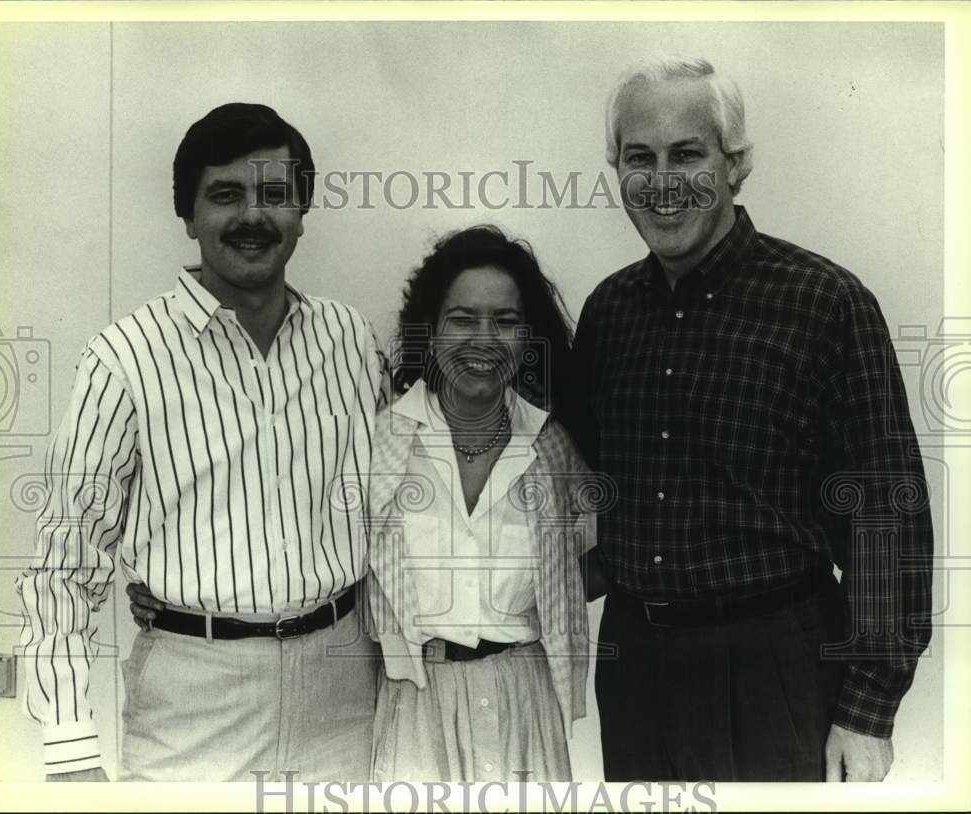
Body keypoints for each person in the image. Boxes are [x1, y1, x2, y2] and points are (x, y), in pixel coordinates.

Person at [562, 56, 934, 782]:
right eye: (640, 158)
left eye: (688, 154)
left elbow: (885, 513)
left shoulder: (824, 302)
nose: (662, 181)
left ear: (737, 165)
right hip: (638, 666)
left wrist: (867, 708)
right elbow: (581, 486)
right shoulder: (609, 312)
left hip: (777, 669)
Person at [16, 103, 383, 782]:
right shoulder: (124, 359)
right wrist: (70, 751)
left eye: (275, 194)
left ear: (302, 210)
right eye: (225, 195)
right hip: (194, 703)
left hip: (344, 690)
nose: (253, 216)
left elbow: (396, 510)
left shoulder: (351, 342)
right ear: (188, 216)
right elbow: (61, 571)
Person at [364, 225, 598, 781]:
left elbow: (594, 563)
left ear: (528, 336)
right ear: (432, 330)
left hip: (526, 700)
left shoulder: (552, 445)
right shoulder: (379, 442)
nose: (484, 340)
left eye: (506, 321)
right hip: (417, 706)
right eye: (463, 319)